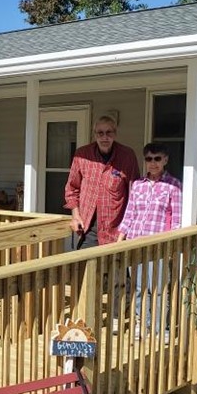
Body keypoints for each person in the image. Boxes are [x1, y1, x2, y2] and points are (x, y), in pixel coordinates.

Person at [116, 142, 182, 336]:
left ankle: (161, 327)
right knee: (138, 287)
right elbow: (129, 214)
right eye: (149, 159)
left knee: (159, 288)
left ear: (165, 160)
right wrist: (121, 239)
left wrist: (171, 246)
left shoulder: (173, 186)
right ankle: (142, 323)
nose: (153, 163)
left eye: (157, 159)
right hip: (136, 242)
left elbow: (177, 220)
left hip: (158, 245)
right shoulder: (137, 185)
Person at [63, 115, 140, 249]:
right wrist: (75, 215)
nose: (105, 137)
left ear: (115, 134)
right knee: (86, 268)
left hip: (116, 231)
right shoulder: (82, 155)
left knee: (115, 269)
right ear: (95, 135)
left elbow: (134, 193)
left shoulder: (127, 156)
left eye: (109, 132)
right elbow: (72, 188)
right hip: (89, 230)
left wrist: (129, 226)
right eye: (100, 133)